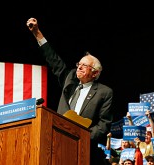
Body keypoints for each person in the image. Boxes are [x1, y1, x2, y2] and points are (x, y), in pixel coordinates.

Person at [26, 17, 114, 165]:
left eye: (85, 65)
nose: (79, 67)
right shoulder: (70, 81)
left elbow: (104, 124)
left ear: (95, 73)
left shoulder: (104, 92)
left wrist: (82, 136)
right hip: (57, 143)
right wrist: (37, 34)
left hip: (84, 148)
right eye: (79, 64)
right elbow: (53, 60)